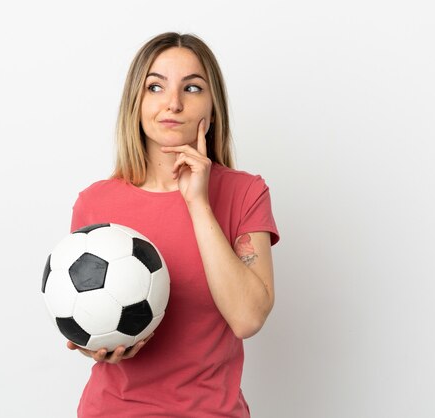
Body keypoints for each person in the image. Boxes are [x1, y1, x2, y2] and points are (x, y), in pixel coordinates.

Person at [67, 32, 279, 417]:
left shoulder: (245, 193)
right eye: (155, 86)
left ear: (212, 110)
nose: (173, 103)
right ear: (137, 102)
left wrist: (198, 201)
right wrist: (92, 343)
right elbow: (87, 312)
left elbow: (248, 318)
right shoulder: (95, 203)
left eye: (192, 88)